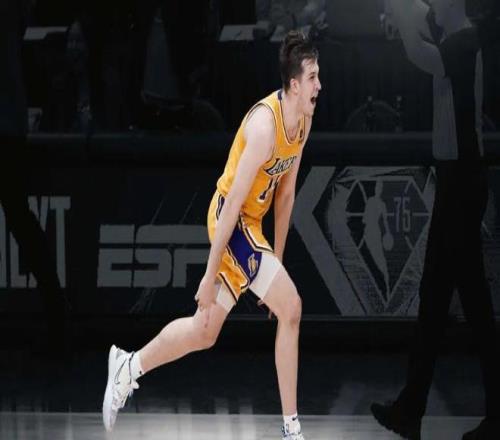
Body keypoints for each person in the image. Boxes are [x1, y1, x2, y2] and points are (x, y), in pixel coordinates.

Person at [102, 30, 321, 440]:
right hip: (229, 220)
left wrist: (276, 260)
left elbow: (286, 195)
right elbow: (232, 202)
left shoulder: (303, 123)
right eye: (312, 78)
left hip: (250, 229)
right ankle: (291, 428)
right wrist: (208, 274)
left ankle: (128, 366)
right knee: (291, 307)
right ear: (294, 84)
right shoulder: (264, 125)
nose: (319, 86)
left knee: (204, 330)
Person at [371, 1, 500, 439]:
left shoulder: (463, 43)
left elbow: (418, 54)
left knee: (473, 307)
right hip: (455, 183)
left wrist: (398, 8)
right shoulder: (456, 40)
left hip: (462, 183)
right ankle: (411, 409)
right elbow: (423, 37)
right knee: (436, 298)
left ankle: (487, 413)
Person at [0, 0, 70, 356]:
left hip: (7, 124)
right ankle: (57, 315)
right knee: (20, 219)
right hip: (10, 124)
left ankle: (57, 317)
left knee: (20, 219)